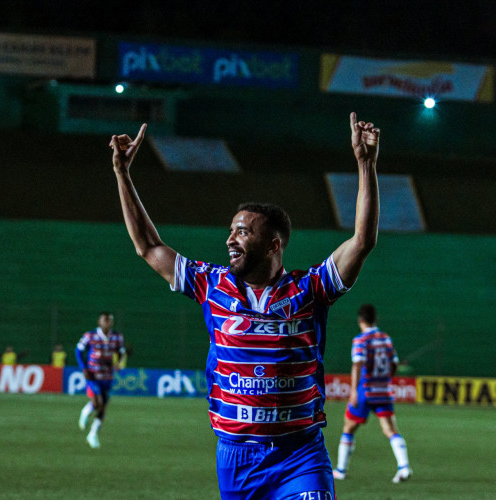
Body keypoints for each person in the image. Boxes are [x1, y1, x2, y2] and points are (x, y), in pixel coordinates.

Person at [110, 112, 379, 499]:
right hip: (236, 459)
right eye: (231, 230)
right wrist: (123, 174)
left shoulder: (311, 288)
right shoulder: (210, 284)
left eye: (242, 231)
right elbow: (149, 247)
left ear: (274, 245)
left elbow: (362, 240)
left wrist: (366, 165)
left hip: (300, 454)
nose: (230, 240)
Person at [332, 304, 411, 484]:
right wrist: (385, 378)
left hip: (365, 391)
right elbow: (394, 365)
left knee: (349, 427)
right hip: (384, 391)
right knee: (390, 429)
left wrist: (353, 391)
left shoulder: (361, 340)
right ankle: (404, 467)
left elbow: (357, 364)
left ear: (360, 320)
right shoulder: (386, 339)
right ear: (375, 319)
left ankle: (342, 470)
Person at [75, 311, 127, 449]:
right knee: (98, 402)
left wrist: (118, 363)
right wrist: (83, 368)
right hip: (93, 375)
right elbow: (78, 350)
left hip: (108, 375)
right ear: (100, 322)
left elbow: (121, 352)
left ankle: (92, 434)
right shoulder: (90, 335)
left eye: (110, 320)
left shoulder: (117, 337)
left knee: (103, 406)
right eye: (105, 320)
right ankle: (86, 411)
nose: (108, 323)